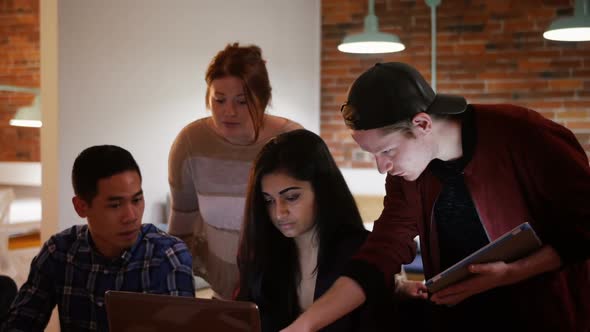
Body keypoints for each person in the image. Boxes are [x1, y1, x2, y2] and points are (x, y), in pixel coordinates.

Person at [282, 62, 590, 332]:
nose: (382, 168)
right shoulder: (407, 177)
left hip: (546, 317)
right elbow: (381, 253)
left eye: (387, 151)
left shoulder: (526, 135)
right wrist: (305, 325)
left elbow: (582, 230)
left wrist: (511, 273)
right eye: (373, 156)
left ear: (422, 124)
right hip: (457, 320)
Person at [2, 145, 195, 331]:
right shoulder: (60, 252)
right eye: (115, 205)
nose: (131, 216)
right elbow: (21, 323)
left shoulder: (167, 256)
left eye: (136, 200)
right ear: (81, 207)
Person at [167, 42, 301, 299]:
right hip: (222, 293)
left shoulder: (291, 141)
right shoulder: (190, 142)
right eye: (219, 100)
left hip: (285, 295)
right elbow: (180, 228)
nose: (229, 111)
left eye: (242, 101)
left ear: (263, 100)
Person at [236, 129, 402, 331]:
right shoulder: (263, 255)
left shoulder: (363, 252)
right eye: (268, 201)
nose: (279, 213)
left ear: (322, 190)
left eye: (291, 197)